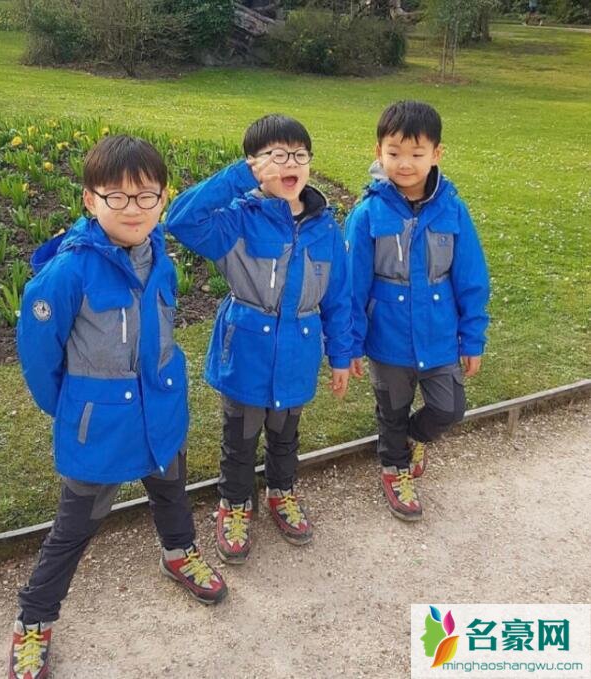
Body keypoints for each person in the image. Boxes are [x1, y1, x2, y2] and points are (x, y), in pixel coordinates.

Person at [8, 135, 227, 679]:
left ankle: (178, 553)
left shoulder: (159, 257)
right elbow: (39, 355)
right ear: (90, 200)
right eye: (117, 197)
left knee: (171, 492)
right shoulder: (68, 272)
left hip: (161, 413)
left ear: (163, 197)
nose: (133, 209)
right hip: (98, 425)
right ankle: (34, 619)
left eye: (146, 196)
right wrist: (74, 407)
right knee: (75, 527)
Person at [165, 114, 352, 564]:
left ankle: (281, 492)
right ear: (254, 164)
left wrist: (341, 355)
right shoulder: (238, 220)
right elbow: (181, 220)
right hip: (247, 350)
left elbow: (339, 296)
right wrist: (239, 178)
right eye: (276, 156)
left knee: (286, 434)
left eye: (299, 155)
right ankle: (234, 504)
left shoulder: (325, 227)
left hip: (299, 352)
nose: (291, 164)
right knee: (241, 438)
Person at [346, 101, 489, 522]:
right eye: (394, 153)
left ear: (436, 154)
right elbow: (350, 286)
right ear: (378, 151)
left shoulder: (452, 209)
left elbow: (472, 277)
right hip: (387, 336)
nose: (404, 164)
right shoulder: (367, 213)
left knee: (449, 409)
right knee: (391, 409)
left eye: (416, 153)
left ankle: (412, 437)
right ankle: (395, 469)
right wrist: (349, 343)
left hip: (439, 335)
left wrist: (472, 338)